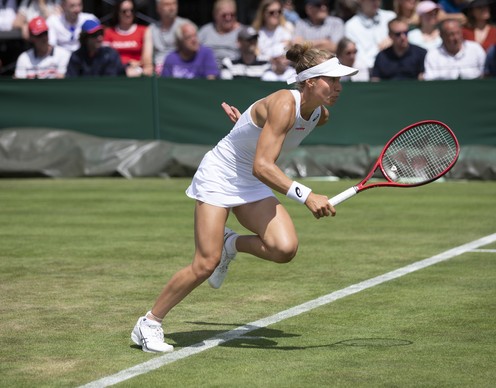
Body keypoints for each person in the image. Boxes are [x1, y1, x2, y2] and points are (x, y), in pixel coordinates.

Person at [130, 42, 358, 353]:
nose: (338, 87)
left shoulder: (320, 115)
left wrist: (245, 126)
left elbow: (264, 143)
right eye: (332, 80)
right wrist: (306, 195)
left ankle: (231, 244)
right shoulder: (283, 103)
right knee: (205, 263)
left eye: (340, 80)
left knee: (284, 248)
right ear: (309, 81)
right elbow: (263, 164)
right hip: (221, 174)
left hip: (251, 181)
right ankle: (149, 323)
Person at [344, 0, 397, 70]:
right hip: (368, 73)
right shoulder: (350, 26)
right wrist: (378, 48)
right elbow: (359, 60)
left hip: (395, 67)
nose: (376, 2)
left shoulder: (391, 17)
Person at [141, 0, 187, 76]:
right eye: (167, 4)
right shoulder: (151, 29)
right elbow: (147, 58)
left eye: (174, 4)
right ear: (158, 8)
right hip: (158, 73)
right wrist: (149, 69)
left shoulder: (185, 26)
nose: (172, 7)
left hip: (180, 70)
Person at [103, 0, 147, 78]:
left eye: (131, 10)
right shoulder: (109, 32)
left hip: (136, 70)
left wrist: (134, 64)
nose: (128, 14)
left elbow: (147, 60)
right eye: (124, 11)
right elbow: (105, 57)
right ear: (118, 13)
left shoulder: (143, 31)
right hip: (115, 71)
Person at [198, 0, 243, 70]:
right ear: (215, 14)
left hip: (233, 73)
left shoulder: (242, 32)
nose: (228, 18)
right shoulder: (205, 31)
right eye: (224, 15)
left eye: (232, 15)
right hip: (207, 73)